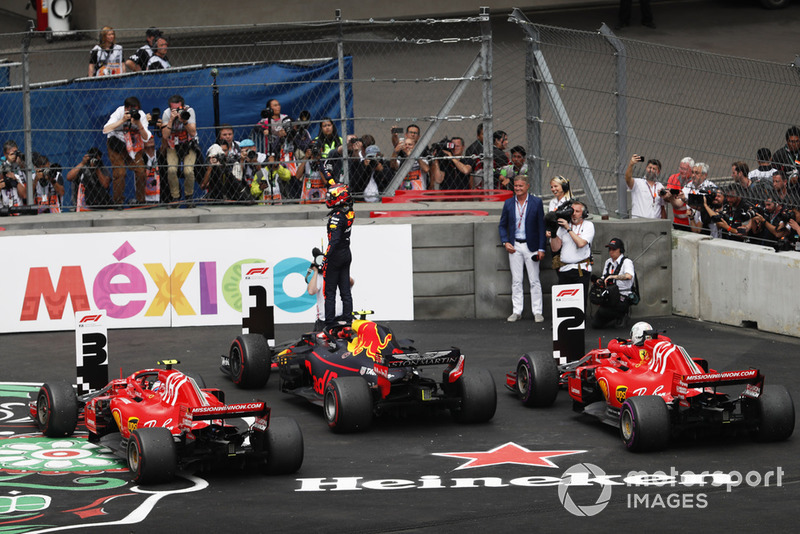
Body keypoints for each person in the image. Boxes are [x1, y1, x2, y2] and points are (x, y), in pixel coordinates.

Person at [498, 175, 547, 323]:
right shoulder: (508, 204)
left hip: (531, 246)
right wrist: (505, 242)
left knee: (534, 280)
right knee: (516, 280)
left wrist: (541, 248)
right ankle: (516, 311)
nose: (518, 188)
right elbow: (502, 225)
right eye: (516, 186)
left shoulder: (536, 202)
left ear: (527, 186)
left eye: (521, 186)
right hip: (515, 246)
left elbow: (541, 226)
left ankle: (537, 311)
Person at [102, 96, 152, 205]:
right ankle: (118, 202)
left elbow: (146, 137)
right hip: (117, 145)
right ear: (125, 109)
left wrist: (138, 124)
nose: (133, 113)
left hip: (133, 146)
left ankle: (141, 200)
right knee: (120, 173)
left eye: (135, 110)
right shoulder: (119, 112)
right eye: (130, 110)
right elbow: (105, 129)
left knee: (141, 171)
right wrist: (122, 120)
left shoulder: (141, 115)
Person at [323, 183, 354, 327]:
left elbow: (334, 241)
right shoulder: (349, 212)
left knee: (329, 293)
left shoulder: (336, 217)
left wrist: (325, 258)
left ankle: (329, 324)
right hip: (346, 253)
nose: (328, 198)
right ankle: (348, 321)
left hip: (335, 256)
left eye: (331, 196)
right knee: (345, 291)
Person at [549, 200, 595, 294]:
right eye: (572, 211)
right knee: (564, 305)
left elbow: (581, 244)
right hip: (564, 269)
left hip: (580, 270)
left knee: (579, 305)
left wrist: (568, 229)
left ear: (584, 213)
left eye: (577, 212)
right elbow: (555, 248)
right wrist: (553, 233)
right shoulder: (562, 227)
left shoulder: (588, 225)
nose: (574, 214)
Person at [160, 94, 199, 205]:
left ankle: (189, 196)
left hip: (189, 143)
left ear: (183, 106)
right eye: (174, 109)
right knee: (172, 170)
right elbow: (165, 135)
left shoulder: (189, 111)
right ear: (170, 108)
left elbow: (192, 132)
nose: (176, 111)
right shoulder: (166, 114)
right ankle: (175, 197)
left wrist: (184, 121)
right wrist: (171, 120)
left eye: (179, 109)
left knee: (188, 170)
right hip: (173, 144)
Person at [591, 238, 635, 329]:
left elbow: (629, 276)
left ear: (620, 250)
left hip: (622, 295)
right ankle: (613, 318)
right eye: (610, 249)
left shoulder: (627, 262)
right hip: (609, 295)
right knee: (596, 324)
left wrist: (613, 276)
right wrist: (599, 281)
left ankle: (622, 316)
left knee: (609, 310)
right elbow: (604, 276)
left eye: (614, 249)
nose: (611, 252)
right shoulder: (608, 262)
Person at [307, 247, 355, 330]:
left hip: (341, 319)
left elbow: (351, 282)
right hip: (324, 320)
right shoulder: (319, 276)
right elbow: (311, 291)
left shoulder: (340, 273)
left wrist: (337, 267)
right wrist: (315, 271)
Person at [624, 154, 665, 219]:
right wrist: (631, 165)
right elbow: (627, 179)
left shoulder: (660, 186)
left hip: (655, 225)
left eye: (654, 169)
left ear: (658, 172)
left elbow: (662, 208)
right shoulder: (637, 183)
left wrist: (664, 225)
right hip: (639, 223)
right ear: (646, 168)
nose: (651, 170)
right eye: (649, 168)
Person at [141, 137, 162, 205]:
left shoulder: (159, 154)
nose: (150, 140)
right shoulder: (140, 157)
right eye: (147, 138)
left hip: (160, 196)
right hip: (145, 198)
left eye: (152, 138)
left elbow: (164, 145)